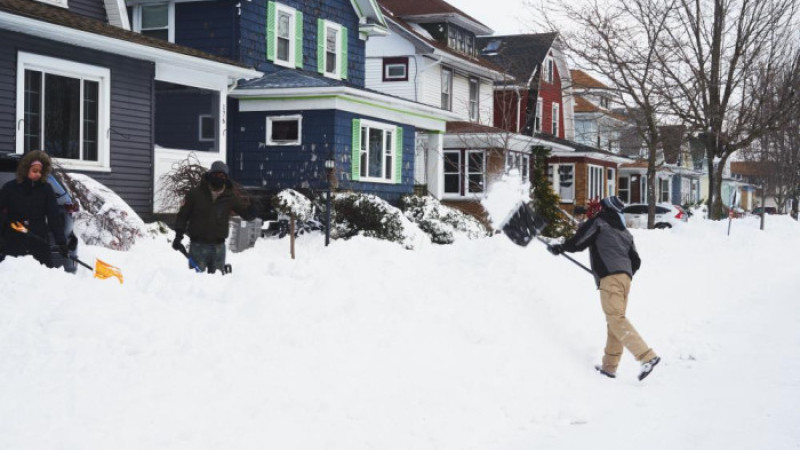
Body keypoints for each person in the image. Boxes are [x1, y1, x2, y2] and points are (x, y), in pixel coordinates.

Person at [548, 196, 661, 381]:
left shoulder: (599, 222)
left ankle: (646, 356)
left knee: (616, 319)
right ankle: (609, 367)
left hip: (611, 280)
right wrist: (622, 272)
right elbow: (636, 261)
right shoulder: (625, 233)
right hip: (625, 280)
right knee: (615, 321)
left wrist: (560, 247)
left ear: (604, 208)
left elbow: (578, 242)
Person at [172, 161, 254, 273]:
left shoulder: (230, 197)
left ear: (225, 178)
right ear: (210, 174)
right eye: (216, 175)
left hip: (218, 248)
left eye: (222, 176)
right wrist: (178, 236)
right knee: (196, 283)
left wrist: (253, 210)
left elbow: (246, 214)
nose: (218, 178)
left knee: (217, 284)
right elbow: (183, 216)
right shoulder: (195, 194)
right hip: (198, 247)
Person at [0, 150, 67, 267]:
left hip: (39, 241)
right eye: (34, 171)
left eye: (40, 171)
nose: (38, 174)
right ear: (25, 170)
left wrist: (61, 242)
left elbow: (54, 217)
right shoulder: (9, 188)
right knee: (14, 278)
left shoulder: (46, 189)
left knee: (41, 278)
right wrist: (7, 224)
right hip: (14, 242)